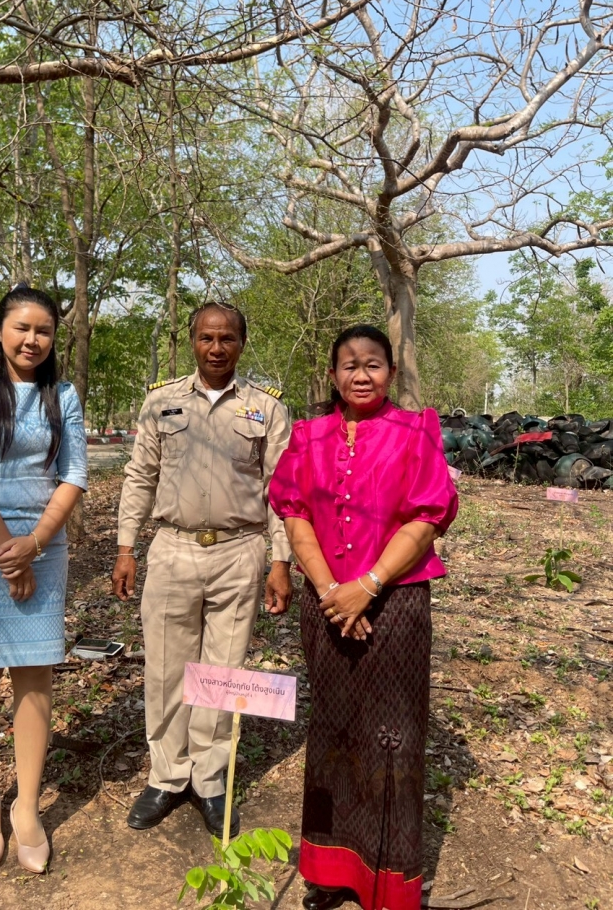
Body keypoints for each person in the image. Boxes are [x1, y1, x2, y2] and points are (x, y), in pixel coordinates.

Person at [268, 325, 458, 910]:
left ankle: (389, 882)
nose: (360, 374)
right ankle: (330, 870)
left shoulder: (415, 430)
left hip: (396, 604)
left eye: (373, 364)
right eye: (348, 365)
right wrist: (333, 593)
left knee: (392, 739)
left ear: (391, 372)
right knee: (333, 732)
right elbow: (295, 515)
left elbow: (426, 518)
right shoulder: (308, 435)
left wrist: (368, 587)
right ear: (332, 374)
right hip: (325, 603)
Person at [112, 301, 293, 838]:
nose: (216, 348)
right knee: (166, 669)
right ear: (192, 341)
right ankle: (167, 776)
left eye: (227, 338)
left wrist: (280, 560)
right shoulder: (161, 402)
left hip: (240, 551)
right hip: (174, 548)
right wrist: (126, 546)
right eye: (206, 338)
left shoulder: (266, 409)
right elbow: (140, 476)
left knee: (222, 671)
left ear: (242, 343)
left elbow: (280, 490)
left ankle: (211, 780)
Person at [0, 285, 87, 873]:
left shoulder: (64, 395)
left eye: (43, 330)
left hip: (44, 546)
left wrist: (35, 545)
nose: (32, 340)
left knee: (34, 671)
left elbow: (73, 475)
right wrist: (10, 553)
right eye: (21, 327)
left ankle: (26, 805)